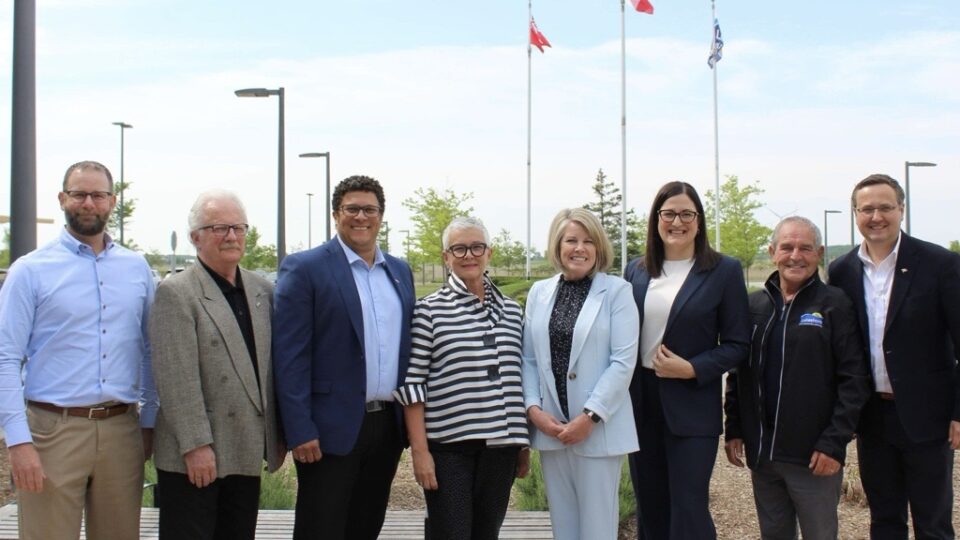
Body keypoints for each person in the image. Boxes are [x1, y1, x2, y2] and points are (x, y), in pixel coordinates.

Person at [0, 160, 158, 540]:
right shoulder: (31, 271)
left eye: (98, 195)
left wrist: (149, 420)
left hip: (122, 429)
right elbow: (5, 357)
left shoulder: (137, 269)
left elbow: (151, 350)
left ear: (112, 201)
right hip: (52, 431)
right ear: (62, 199)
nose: (89, 203)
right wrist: (18, 442)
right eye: (79, 194)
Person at [273, 175, 416, 540]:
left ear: (381, 216)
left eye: (369, 209)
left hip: (386, 427)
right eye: (352, 209)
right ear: (336, 214)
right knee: (320, 528)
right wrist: (299, 428)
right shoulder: (305, 268)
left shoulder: (399, 272)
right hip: (327, 430)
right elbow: (290, 356)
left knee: (366, 526)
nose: (361, 217)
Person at [828, 173, 960, 539]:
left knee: (932, 523)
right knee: (884, 522)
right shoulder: (841, 272)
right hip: (872, 418)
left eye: (885, 207)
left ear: (901, 210)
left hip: (927, 417)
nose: (876, 216)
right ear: (855, 214)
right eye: (866, 208)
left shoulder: (940, 264)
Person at [724, 216, 871, 539]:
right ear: (772, 251)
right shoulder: (754, 306)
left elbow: (854, 380)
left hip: (813, 456)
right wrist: (734, 427)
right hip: (763, 456)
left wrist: (834, 444)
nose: (795, 255)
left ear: (819, 253)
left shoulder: (835, 305)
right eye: (787, 247)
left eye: (805, 248)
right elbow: (739, 373)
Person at [149, 190, 285, 539]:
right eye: (219, 228)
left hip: (245, 447)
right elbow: (176, 378)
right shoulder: (176, 293)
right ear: (195, 237)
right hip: (197, 455)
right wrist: (195, 447)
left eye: (238, 227)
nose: (231, 236)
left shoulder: (261, 290)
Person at [625, 181, 750, 540]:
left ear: (699, 220)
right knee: (650, 506)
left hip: (692, 405)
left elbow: (738, 343)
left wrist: (692, 368)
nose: (677, 222)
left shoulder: (724, 270)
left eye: (686, 214)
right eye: (668, 213)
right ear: (656, 219)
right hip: (642, 404)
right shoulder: (637, 270)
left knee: (688, 507)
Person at [394, 216, 530, 540]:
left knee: (487, 534)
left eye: (476, 247)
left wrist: (522, 444)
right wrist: (420, 451)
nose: (469, 255)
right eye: (459, 248)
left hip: (501, 449)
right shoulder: (429, 311)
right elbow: (413, 385)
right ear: (446, 257)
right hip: (449, 451)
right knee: (450, 534)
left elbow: (518, 379)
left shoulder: (513, 311)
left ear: (489, 252)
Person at [521, 208, 640, 540]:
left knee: (597, 527)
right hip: (552, 429)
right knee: (564, 526)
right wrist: (534, 411)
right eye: (571, 240)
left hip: (597, 430)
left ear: (599, 247)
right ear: (557, 246)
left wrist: (590, 416)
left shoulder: (617, 292)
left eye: (588, 241)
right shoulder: (539, 293)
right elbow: (528, 359)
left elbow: (622, 362)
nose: (580, 248)